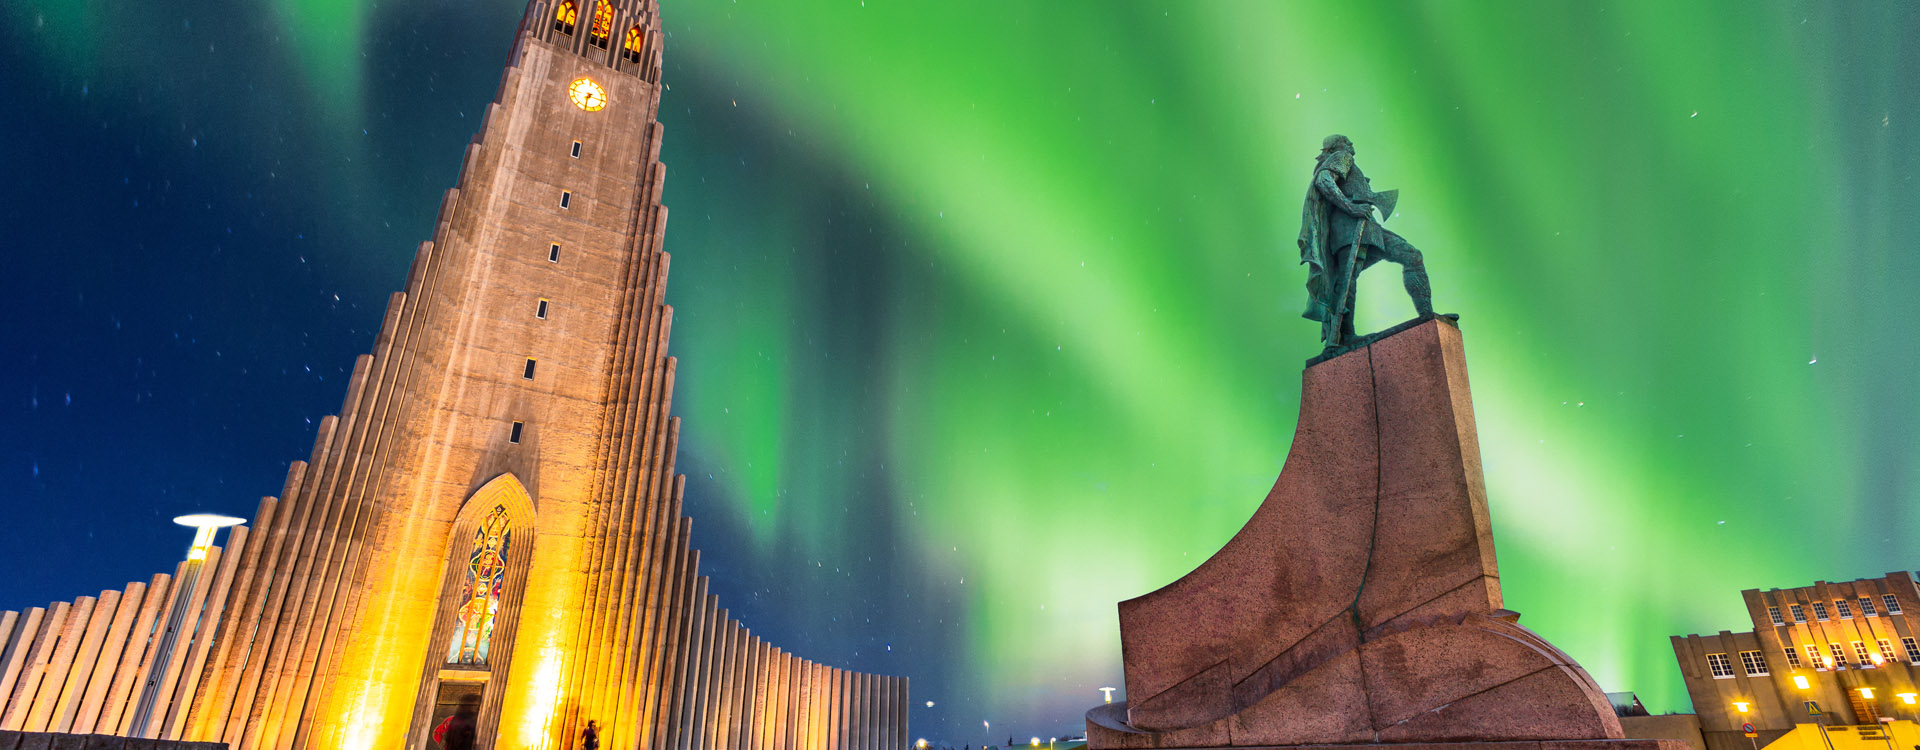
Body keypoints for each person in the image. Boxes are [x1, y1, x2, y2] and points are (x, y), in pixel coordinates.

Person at [1297, 134, 1448, 350]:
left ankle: (1427, 317)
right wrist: (1352, 208)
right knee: (1347, 281)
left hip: (1368, 227)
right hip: (1351, 228)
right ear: (1334, 148)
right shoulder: (1342, 157)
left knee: (1411, 256)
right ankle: (1342, 337)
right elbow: (1324, 181)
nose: (1350, 144)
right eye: (1345, 141)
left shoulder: (1346, 160)